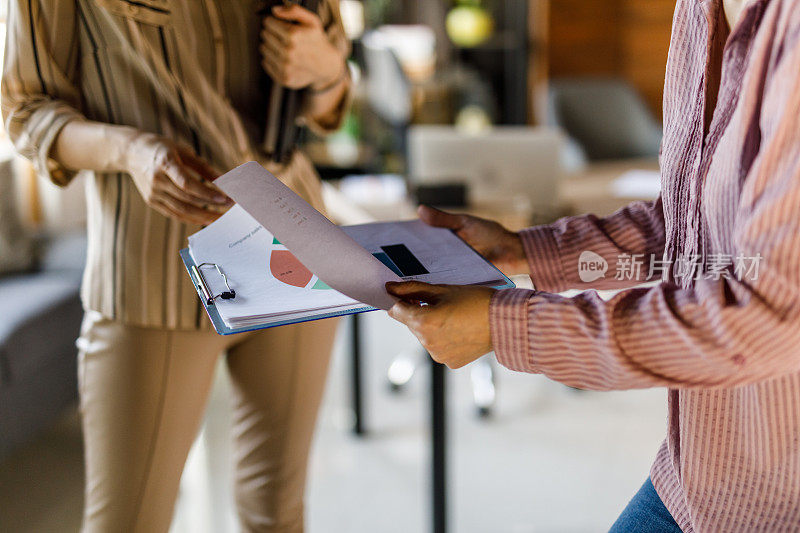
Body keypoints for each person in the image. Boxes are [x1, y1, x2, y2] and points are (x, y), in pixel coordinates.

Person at [387, 0, 800, 531]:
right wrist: (529, 251)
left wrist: (507, 324)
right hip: (701, 474)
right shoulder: (699, 10)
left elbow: (769, 313)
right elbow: (693, 225)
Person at [2, 1, 350, 531]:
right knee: (127, 521)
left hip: (293, 245)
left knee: (278, 511)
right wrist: (132, 151)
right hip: (153, 262)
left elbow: (327, 106)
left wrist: (325, 70)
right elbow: (26, 110)